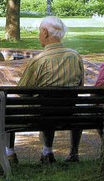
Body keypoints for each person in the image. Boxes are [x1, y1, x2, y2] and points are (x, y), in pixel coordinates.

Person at [7, 16, 85, 164]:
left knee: (8, 106)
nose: (38, 35)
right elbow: (80, 85)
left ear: (45, 32)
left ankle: (9, 153)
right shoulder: (75, 56)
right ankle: (51, 152)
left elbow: (22, 91)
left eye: (39, 32)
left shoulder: (39, 60)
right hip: (68, 113)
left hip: (41, 114)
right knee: (52, 104)